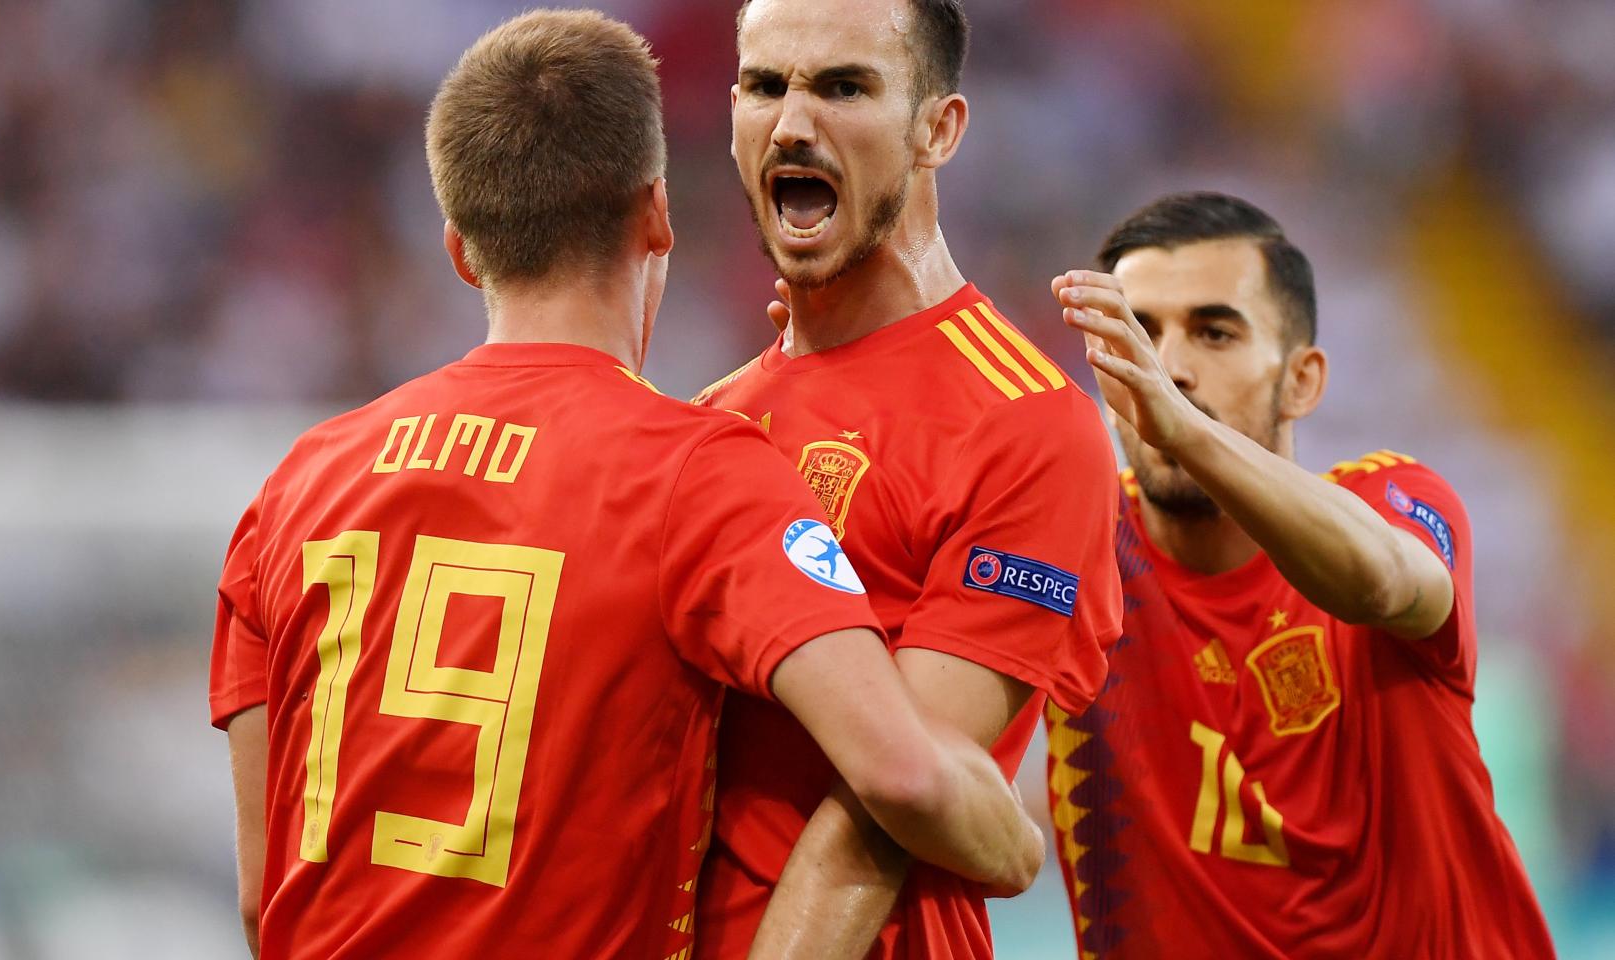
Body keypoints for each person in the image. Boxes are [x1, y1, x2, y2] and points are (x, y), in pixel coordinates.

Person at [208, 10, 1045, 960]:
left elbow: (258, 894)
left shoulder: (295, 488)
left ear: (459, 246)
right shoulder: (695, 471)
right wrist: (1010, 842)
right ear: (656, 214)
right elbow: (903, 774)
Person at [690, 1, 1123, 956]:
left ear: (938, 129)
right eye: (765, 86)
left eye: (845, 87)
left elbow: (887, 806)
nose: (794, 123)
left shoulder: (1023, 425)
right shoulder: (713, 416)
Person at [1044, 191, 1556, 958]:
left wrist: (1185, 432)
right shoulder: (1069, 548)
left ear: (1303, 381)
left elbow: (1385, 582)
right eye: (1138, 333)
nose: (1167, 369)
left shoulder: (1393, 500)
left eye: (1214, 333)